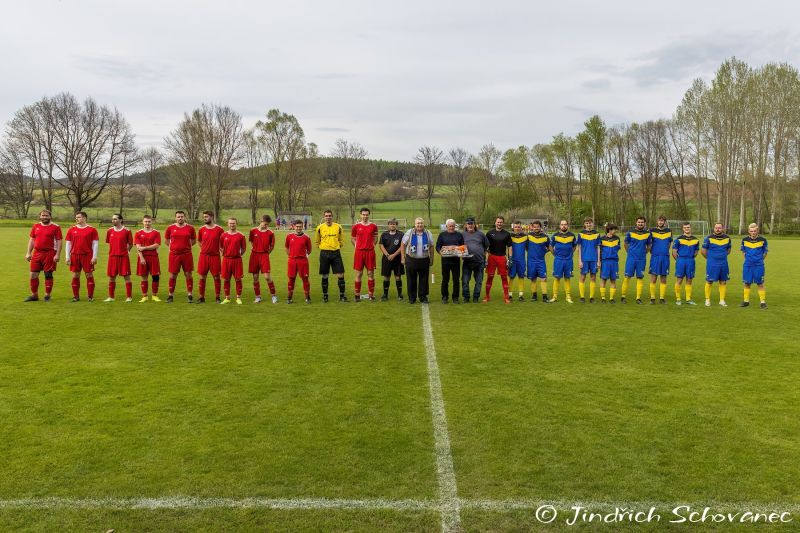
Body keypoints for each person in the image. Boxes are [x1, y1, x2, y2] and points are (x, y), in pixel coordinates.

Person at [25, 209, 62, 302]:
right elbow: (32, 240)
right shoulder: (36, 226)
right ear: (40, 216)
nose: (44, 217)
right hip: (37, 253)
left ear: (50, 217)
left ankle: (47, 295)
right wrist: (28, 252)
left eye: (46, 216)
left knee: (48, 274)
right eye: (43, 215)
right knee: (33, 274)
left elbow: (59, 241)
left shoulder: (56, 227)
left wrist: (57, 254)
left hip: (50, 253)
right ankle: (34, 295)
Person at [65, 211, 99, 302]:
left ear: (84, 218)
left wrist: (94, 257)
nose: (77, 219)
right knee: (76, 275)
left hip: (87, 256)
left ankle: (90, 296)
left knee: (89, 274)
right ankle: (76, 296)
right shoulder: (72, 229)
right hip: (75, 255)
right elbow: (68, 243)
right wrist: (67, 256)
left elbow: (95, 244)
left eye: (79, 217)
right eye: (76, 217)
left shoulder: (92, 229)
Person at [315, 209, 348, 302]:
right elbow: (317, 241)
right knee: (325, 275)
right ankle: (325, 296)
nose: (328, 217)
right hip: (324, 253)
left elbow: (341, 240)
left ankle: (342, 296)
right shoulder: (319, 228)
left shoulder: (338, 227)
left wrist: (336, 247)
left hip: (336, 253)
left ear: (332, 216)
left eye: (330, 215)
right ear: (324, 217)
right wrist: (324, 247)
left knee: (340, 274)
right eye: (326, 216)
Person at [164, 210, 196, 303]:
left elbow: (193, 240)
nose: (180, 218)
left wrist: (185, 247)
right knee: (173, 275)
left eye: (182, 216)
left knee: (188, 274)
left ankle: (189, 294)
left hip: (187, 254)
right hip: (174, 255)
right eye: (178, 217)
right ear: (175, 218)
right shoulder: (170, 228)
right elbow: (166, 240)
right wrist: (174, 248)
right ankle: (170, 295)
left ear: (184, 217)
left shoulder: (190, 228)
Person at [400, 217, 434, 304]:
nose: (419, 225)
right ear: (415, 224)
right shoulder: (409, 232)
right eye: (418, 223)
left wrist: (431, 258)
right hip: (411, 259)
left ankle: (423, 297)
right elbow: (403, 245)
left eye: (421, 223)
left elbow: (431, 246)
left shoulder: (428, 233)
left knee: (424, 279)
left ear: (424, 224)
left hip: (424, 260)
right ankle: (412, 297)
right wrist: (403, 257)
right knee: (411, 279)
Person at [103, 213, 134, 302]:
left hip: (123, 257)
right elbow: (109, 242)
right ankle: (111, 297)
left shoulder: (127, 231)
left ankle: (129, 297)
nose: (113, 221)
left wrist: (126, 252)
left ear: (121, 220)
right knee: (111, 277)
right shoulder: (109, 231)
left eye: (115, 219)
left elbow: (130, 243)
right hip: (112, 257)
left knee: (126, 277)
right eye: (112, 219)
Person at [621, 216, 651, 304]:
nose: (640, 223)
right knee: (627, 277)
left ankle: (638, 298)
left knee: (640, 277)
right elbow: (626, 243)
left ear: (644, 223)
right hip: (631, 258)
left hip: (641, 259)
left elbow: (649, 245)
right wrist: (629, 252)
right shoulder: (630, 232)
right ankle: (623, 296)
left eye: (642, 222)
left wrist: (645, 252)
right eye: (639, 222)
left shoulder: (648, 234)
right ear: (636, 223)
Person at [249, 214, 278, 304]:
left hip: (264, 256)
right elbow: (251, 241)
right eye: (265, 224)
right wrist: (254, 248)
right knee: (255, 277)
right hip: (254, 256)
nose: (266, 226)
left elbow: (272, 246)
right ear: (261, 221)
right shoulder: (253, 231)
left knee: (267, 277)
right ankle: (258, 297)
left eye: (267, 224)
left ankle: (274, 295)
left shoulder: (270, 233)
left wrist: (266, 253)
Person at [351, 207, 379, 301]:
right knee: (359, 274)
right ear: (360, 215)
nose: (365, 216)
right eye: (363, 214)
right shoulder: (356, 226)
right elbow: (353, 238)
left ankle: (371, 295)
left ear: (369, 215)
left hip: (370, 252)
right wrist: (357, 246)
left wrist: (371, 246)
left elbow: (375, 238)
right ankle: (357, 295)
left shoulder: (373, 226)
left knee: (370, 273)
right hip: (359, 252)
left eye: (366, 214)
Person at [196, 210, 224, 303]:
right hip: (203, 256)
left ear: (212, 217)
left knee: (216, 277)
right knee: (202, 277)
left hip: (215, 257)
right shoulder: (201, 229)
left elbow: (223, 243)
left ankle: (217, 297)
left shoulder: (219, 229)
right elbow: (199, 241)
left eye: (206, 217)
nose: (204, 218)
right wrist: (204, 248)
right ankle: (201, 297)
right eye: (204, 217)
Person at [701, 222, 731, 307]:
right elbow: (703, 251)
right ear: (713, 228)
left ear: (722, 228)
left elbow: (728, 250)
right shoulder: (708, 238)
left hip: (723, 263)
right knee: (709, 281)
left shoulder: (727, 238)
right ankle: (707, 300)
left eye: (719, 228)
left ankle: (722, 300)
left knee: (723, 281)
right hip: (712, 263)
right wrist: (710, 258)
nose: (718, 229)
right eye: (716, 227)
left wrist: (722, 256)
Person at [483, 216, 512, 304]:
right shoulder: (489, 233)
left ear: (503, 223)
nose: (499, 223)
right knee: (490, 277)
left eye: (501, 222)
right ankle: (487, 296)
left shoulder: (507, 234)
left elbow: (510, 246)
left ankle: (506, 297)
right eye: (498, 222)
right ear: (495, 223)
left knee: (504, 277)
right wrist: (485, 258)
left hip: (501, 258)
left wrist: (510, 258)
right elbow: (486, 247)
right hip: (492, 257)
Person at [435, 219, 464, 304]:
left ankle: (455, 297)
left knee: (456, 280)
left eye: (453, 226)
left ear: (455, 226)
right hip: (445, 261)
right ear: (446, 226)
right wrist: (441, 252)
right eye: (450, 226)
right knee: (445, 279)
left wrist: (457, 248)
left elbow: (463, 246)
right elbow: (438, 246)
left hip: (456, 261)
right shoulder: (442, 235)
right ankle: (445, 297)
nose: (451, 227)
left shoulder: (459, 235)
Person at [461, 217, 489, 303]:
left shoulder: (481, 234)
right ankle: (466, 297)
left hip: (479, 262)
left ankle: (476, 297)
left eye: (471, 224)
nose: (470, 225)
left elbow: (486, 247)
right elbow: (459, 247)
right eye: (468, 224)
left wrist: (485, 259)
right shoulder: (462, 235)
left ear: (474, 225)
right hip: (467, 262)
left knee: (479, 281)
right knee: (465, 281)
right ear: (466, 225)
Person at [134, 215, 162, 302]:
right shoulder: (138, 233)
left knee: (155, 277)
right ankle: (144, 296)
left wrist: (144, 248)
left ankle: (154, 295)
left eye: (149, 221)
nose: (147, 223)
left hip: (153, 258)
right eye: (145, 221)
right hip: (143, 258)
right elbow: (138, 247)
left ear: (152, 222)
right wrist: (141, 257)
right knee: (144, 277)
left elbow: (156, 245)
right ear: (142, 222)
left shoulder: (156, 233)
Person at [740, 223, 768, 309]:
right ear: (749, 231)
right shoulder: (744, 240)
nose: (753, 232)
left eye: (755, 231)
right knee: (747, 283)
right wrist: (749, 260)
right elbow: (743, 253)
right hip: (748, 265)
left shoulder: (763, 240)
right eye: (751, 231)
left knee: (760, 283)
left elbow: (765, 253)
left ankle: (762, 302)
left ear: (757, 231)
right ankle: (746, 301)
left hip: (759, 265)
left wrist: (759, 260)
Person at [219, 217, 246, 305]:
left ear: (236, 224)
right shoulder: (223, 235)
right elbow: (220, 247)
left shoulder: (241, 235)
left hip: (237, 260)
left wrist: (237, 255)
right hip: (226, 260)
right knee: (226, 279)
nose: (232, 225)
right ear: (228, 224)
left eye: (233, 223)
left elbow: (244, 248)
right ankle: (227, 298)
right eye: (230, 223)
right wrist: (226, 254)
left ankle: (238, 297)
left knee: (238, 279)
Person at [549, 219, 577, 304]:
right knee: (557, 277)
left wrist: (571, 253)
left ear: (567, 225)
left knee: (567, 278)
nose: (563, 226)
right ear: (559, 226)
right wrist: (555, 254)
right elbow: (550, 246)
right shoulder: (555, 235)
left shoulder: (572, 235)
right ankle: (554, 296)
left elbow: (574, 246)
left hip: (568, 260)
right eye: (562, 224)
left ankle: (568, 296)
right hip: (558, 260)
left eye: (565, 224)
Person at [671, 222, 699, 306]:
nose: (687, 229)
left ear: (691, 228)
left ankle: (688, 299)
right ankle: (678, 299)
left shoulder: (695, 239)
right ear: (683, 229)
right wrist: (678, 260)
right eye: (685, 227)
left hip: (690, 260)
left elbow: (696, 251)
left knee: (689, 279)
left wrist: (691, 257)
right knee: (679, 279)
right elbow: (674, 252)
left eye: (688, 227)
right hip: (681, 260)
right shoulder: (678, 239)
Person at [285, 219, 312, 304]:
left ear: (302, 227)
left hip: (303, 261)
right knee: (291, 279)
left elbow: (309, 250)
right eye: (297, 226)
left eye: (300, 227)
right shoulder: (289, 236)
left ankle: (307, 298)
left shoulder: (306, 237)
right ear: (294, 227)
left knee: (305, 279)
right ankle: (289, 298)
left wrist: (304, 257)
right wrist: (291, 256)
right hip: (292, 261)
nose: (299, 228)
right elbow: (286, 247)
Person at [648, 215, 673, 304]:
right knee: (653, 277)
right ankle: (652, 298)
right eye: (659, 221)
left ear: (665, 222)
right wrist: (653, 252)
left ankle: (662, 298)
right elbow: (649, 243)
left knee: (663, 277)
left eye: (662, 221)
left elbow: (669, 243)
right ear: (657, 221)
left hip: (665, 257)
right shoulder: (652, 231)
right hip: (655, 257)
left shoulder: (669, 231)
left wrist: (665, 251)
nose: (660, 222)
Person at [379, 218, 404, 301]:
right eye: (390, 224)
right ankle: (385, 295)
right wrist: (387, 254)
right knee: (386, 277)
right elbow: (381, 245)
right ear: (388, 225)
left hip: (397, 259)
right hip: (386, 259)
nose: (392, 225)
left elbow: (402, 246)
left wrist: (394, 255)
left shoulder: (401, 234)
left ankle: (400, 295)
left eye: (394, 224)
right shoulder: (384, 234)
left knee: (398, 276)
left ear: (396, 225)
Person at [576, 217, 600, 303]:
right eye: (587, 223)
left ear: (592, 223)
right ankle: (582, 297)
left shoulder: (596, 234)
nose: (588, 224)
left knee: (593, 277)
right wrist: (579, 261)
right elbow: (579, 248)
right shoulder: (581, 234)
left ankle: (591, 297)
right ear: (584, 224)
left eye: (590, 223)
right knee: (583, 277)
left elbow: (598, 248)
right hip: (584, 259)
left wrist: (598, 261)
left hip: (594, 259)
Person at [526, 220, 550, 302]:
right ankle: (534, 296)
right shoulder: (529, 236)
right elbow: (526, 247)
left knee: (544, 278)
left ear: (540, 227)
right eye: (534, 227)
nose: (536, 228)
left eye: (538, 227)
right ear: (532, 227)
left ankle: (544, 297)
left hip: (541, 261)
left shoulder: (545, 237)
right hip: (531, 261)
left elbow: (549, 247)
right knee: (533, 279)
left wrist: (544, 252)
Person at [598, 223, 621, 303]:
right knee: (603, 279)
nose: (616, 231)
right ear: (610, 230)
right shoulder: (602, 239)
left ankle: (611, 298)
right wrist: (599, 261)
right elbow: (599, 251)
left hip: (614, 262)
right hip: (605, 261)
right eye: (614, 229)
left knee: (613, 280)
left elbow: (617, 249)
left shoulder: (617, 238)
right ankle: (603, 298)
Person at [509, 221, 528, 301]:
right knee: (511, 277)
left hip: (521, 260)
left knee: (521, 277)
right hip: (512, 260)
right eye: (516, 227)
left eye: (518, 227)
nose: (517, 228)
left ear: (521, 227)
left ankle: (521, 295)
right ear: (513, 228)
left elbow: (528, 248)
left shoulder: (525, 236)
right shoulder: (509, 236)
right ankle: (509, 295)